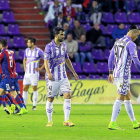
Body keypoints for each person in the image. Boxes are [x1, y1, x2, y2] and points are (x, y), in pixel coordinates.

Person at [44, 27, 79, 127]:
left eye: (63, 34)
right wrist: (49, 73)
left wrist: (73, 72)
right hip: (53, 78)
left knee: (68, 96)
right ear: (56, 35)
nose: (63, 36)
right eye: (61, 34)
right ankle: (50, 120)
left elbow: (67, 60)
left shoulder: (64, 46)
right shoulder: (49, 47)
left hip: (63, 77)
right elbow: (46, 61)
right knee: (50, 99)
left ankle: (66, 120)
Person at [108, 25, 140, 130]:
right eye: (137, 34)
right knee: (120, 97)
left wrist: (110, 72)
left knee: (128, 97)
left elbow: (111, 57)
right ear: (134, 32)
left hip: (117, 73)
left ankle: (135, 122)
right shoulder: (131, 44)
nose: (137, 37)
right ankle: (112, 123)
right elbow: (135, 60)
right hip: (124, 74)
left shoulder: (117, 42)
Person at [0, 39, 27, 115]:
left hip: (7, 77)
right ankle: (13, 106)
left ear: (1, 45)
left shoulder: (3, 53)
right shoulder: (9, 52)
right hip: (8, 76)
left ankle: (22, 108)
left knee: (13, 93)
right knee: (1, 92)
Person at [23, 38, 44, 111]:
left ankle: (34, 105)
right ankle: (24, 105)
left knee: (34, 88)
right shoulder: (26, 50)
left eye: (28, 42)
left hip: (34, 73)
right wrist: (25, 68)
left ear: (32, 43)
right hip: (27, 73)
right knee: (24, 88)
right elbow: (24, 59)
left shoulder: (39, 51)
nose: (27, 43)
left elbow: (46, 59)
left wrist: (41, 68)